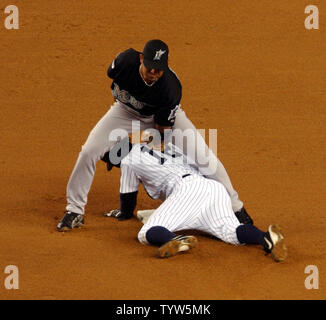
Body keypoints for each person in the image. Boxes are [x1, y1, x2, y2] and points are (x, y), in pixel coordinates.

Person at [57, 39, 252, 232]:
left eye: (158, 69)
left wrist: (127, 147)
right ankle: (74, 210)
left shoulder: (170, 88)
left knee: (205, 158)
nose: (153, 72)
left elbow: (161, 136)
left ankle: (237, 208)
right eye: (150, 66)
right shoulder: (124, 62)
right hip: (123, 112)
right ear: (141, 58)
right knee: (88, 151)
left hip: (159, 120)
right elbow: (114, 80)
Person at [103, 135, 287, 262]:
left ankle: (175, 239)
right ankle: (265, 237)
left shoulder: (128, 160)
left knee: (146, 232)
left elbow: (128, 198)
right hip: (213, 188)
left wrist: (124, 213)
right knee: (231, 231)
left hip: (187, 191)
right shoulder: (160, 142)